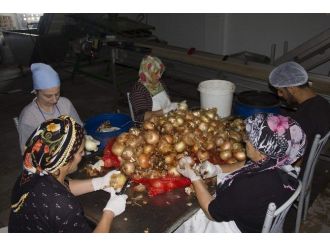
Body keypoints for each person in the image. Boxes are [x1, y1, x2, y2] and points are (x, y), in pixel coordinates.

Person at [175, 113, 306, 233]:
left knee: (186, 220)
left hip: (237, 231)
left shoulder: (250, 185)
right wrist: (217, 169)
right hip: (262, 222)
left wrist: (194, 177)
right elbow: (244, 164)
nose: (245, 141)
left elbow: (211, 212)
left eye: (249, 139)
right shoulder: (282, 164)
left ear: (261, 150)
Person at [9, 116, 127, 233]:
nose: (84, 155)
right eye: (81, 152)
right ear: (65, 160)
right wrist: (109, 212)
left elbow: (61, 186)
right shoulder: (64, 205)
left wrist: (99, 182)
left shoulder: (33, 170)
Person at [269, 61, 330, 177]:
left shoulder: (302, 119)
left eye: (281, 90)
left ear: (292, 89)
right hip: (312, 161)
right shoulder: (322, 103)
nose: (279, 94)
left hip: (299, 171)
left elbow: (293, 159)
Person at [18, 63, 83, 154]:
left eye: (57, 93)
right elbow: (27, 151)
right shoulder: (29, 117)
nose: (54, 99)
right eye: (48, 96)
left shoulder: (65, 104)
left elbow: (80, 129)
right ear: (36, 92)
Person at [129, 55, 178, 122]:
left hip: (167, 121)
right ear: (147, 73)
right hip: (151, 126)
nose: (159, 76)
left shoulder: (159, 83)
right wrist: (165, 111)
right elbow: (141, 117)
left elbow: (167, 103)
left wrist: (173, 107)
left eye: (160, 72)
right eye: (156, 73)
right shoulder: (138, 90)